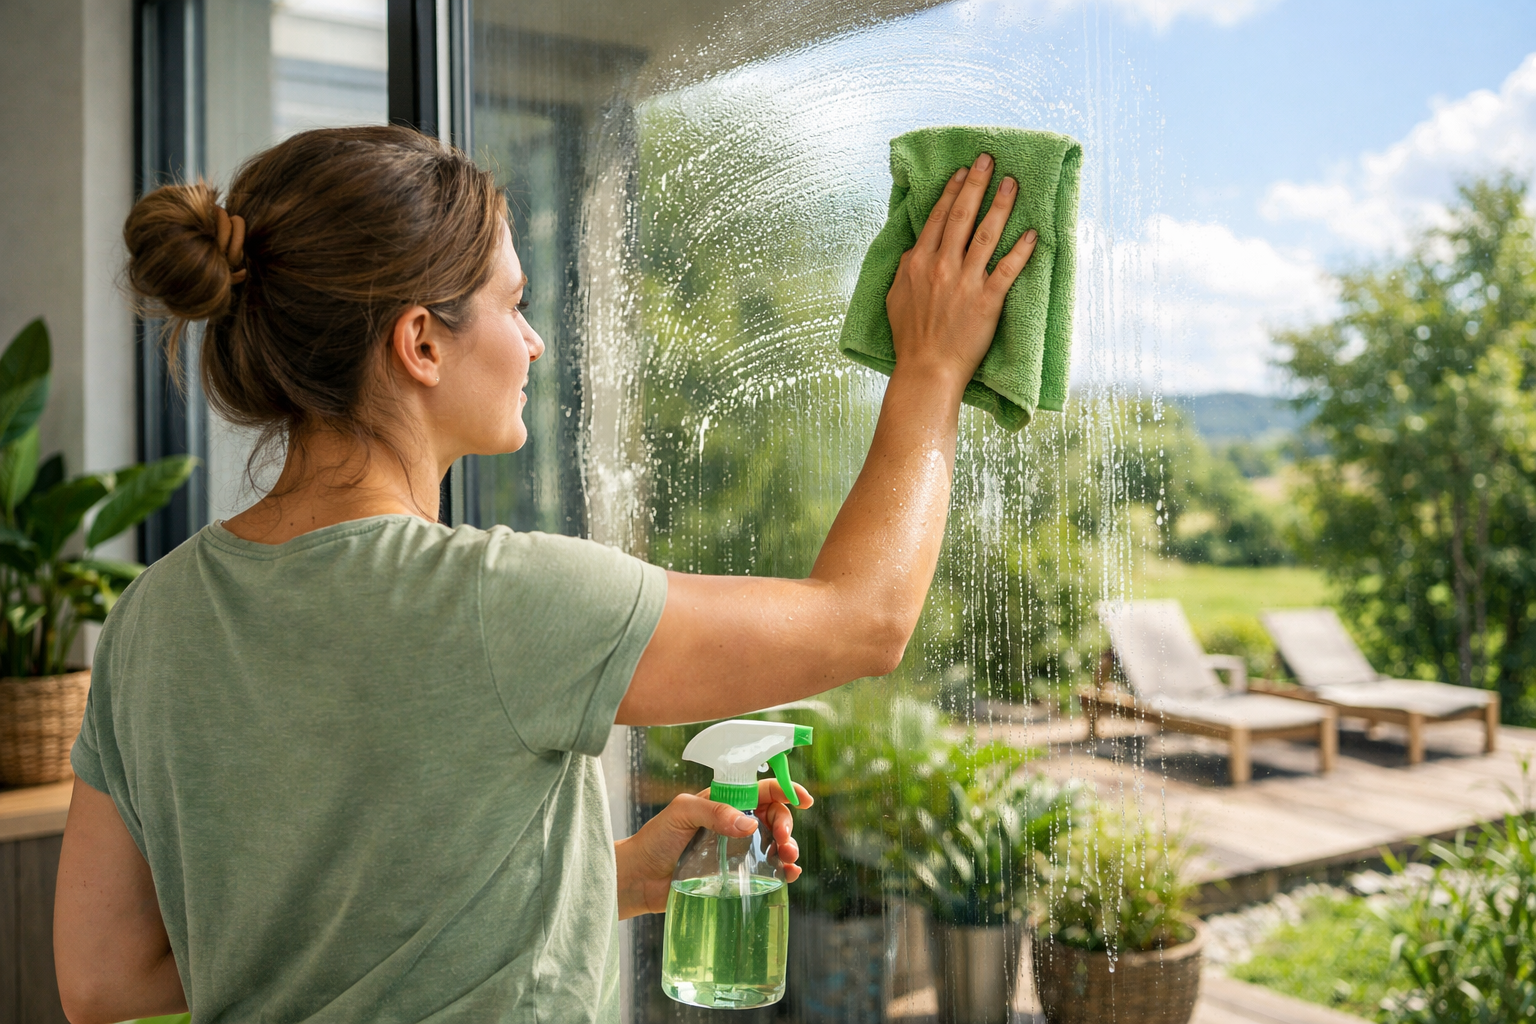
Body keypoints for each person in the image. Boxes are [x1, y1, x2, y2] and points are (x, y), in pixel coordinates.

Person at [52, 125, 1035, 1024]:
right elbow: (863, 621)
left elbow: (106, 977)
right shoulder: (500, 602)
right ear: (420, 342)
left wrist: (599, 879)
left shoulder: (151, 617)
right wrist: (932, 368)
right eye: (513, 304)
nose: (531, 342)